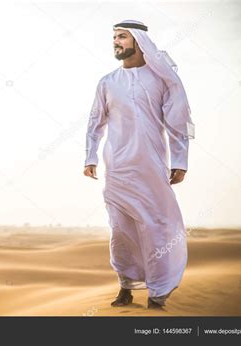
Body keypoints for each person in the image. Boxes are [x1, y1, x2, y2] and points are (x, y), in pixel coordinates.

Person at [83, 20, 195, 309]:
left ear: (139, 41)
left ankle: (158, 292)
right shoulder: (107, 82)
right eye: (114, 37)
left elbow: (177, 122)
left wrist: (180, 160)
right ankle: (126, 286)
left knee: (157, 227)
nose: (116, 42)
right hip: (117, 169)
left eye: (122, 37)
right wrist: (90, 157)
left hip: (151, 167)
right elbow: (95, 122)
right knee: (120, 229)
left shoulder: (161, 79)